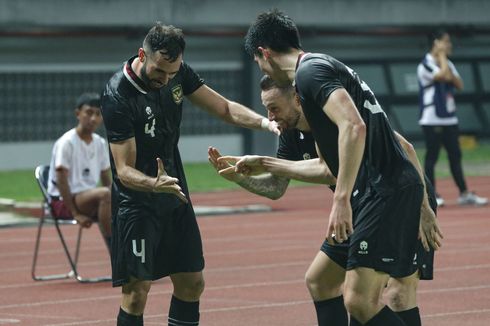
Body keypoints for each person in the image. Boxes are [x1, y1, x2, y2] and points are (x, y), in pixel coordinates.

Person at [244, 10, 443, 325]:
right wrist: (259, 167)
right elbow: (326, 166)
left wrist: (341, 199)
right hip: (372, 192)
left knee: (366, 299)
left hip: (387, 187)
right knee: (323, 281)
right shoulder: (313, 75)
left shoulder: (309, 73)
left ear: (263, 53)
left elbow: (355, 126)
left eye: (257, 61)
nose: (271, 116)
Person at [211, 75, 438, 326]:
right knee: (320, 280)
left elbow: (405, 148)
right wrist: (240, 179)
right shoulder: (289, 134)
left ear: (297, 100)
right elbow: (276, 188)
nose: (271, 116)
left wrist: (424, 208)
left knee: (396, 294)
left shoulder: (336, 115)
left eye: (274, 108)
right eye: (266, 109)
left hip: (401, 198)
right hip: (360, 207)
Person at [100, 23, 279, 326]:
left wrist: (267, 124)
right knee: (137, 293)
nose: (166, 79)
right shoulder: (118, 96)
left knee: (192, 283)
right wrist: (153, 184)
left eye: (173, 72)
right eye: (160, 71)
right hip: (138, 202)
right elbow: (123, 171)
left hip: (175, 193)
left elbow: (223, 107)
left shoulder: (177, 72)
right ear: (142, 55)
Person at [417, 29, 488, 207]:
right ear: (436, 43)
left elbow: (459, 84)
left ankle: (464, 193)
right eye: (446, 42)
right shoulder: (424, 64)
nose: (449, 45)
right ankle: (433, 195)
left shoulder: (448, 63)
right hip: (431, 118)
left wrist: (444, 61)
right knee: (432, 156)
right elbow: (443, 75)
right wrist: (441, 57)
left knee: (455, 156)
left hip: (449, 118)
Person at [47, 92, 112, 254]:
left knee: (121, 199)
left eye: (98, 114)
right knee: (105, 194)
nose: (93, 118)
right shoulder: (66, 143)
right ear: (78, 114)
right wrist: (75, 213)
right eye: (89, 112)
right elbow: (61, 181)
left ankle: (127, 253)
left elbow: (106, 179)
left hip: (87, 199)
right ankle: (116, 253)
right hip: (62, 202)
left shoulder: (100, 143)